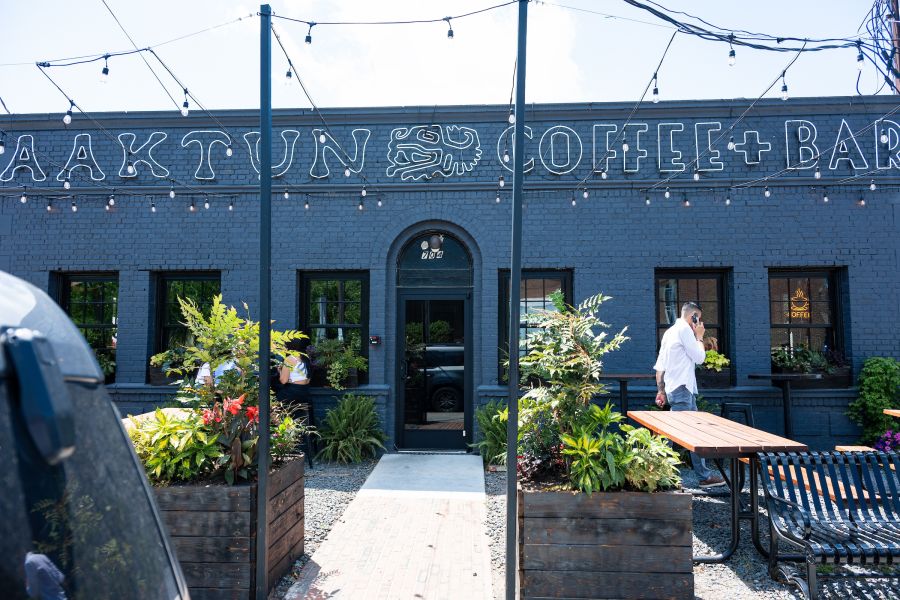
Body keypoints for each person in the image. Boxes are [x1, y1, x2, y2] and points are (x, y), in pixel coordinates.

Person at [654, 301, 726, 488]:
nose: (699, 323)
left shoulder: (669, 332)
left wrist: (661, 390)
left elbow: (660, 366)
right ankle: (660, 473)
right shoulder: (685, 331)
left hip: (675, 388)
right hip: (682, 389)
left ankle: (703, 476)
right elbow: (700, 358)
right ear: (692, 317)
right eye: (698, 319)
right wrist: (700, 337)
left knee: (691, 433)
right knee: (674, 434)